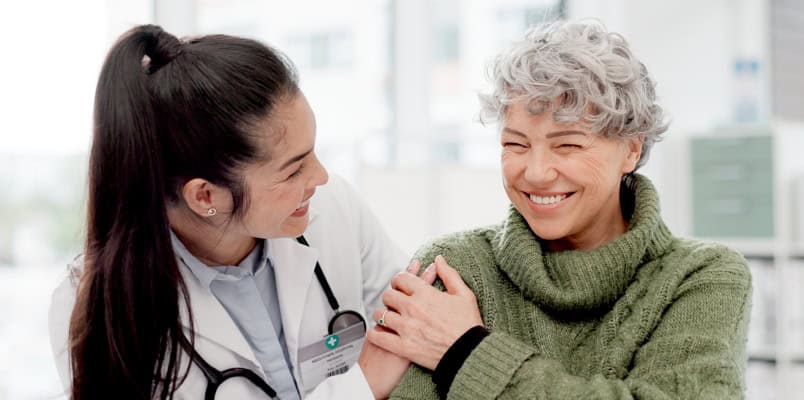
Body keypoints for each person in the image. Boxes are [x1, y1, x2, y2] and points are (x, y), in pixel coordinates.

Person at [366, 20, 751, 399]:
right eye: (515, 145)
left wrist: (466, 353)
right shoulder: (454, 268)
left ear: (631, 150)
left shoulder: (703, 277)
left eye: (567, 146)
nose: (535, 173)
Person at [47, 24, 431, 400]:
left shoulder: (334, 213)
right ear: (204, 196)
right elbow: (383, 368)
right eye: (293, 169)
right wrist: (360, 387)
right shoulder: (99, 307)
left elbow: (421, 334)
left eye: (313, 153)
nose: (321, 177)